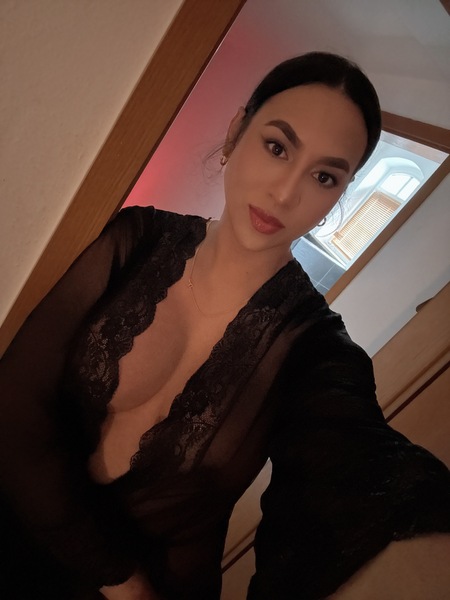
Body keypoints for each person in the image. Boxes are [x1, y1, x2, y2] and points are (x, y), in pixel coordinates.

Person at [0, 52, 449, 600]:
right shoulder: (137, 238)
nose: (285, 193)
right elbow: (14, 407)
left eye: (324, 176)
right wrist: (122, 582)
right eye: (277, 147)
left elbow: (358, 465)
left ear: (339, 194)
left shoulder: (312, 346)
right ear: (237, 131)